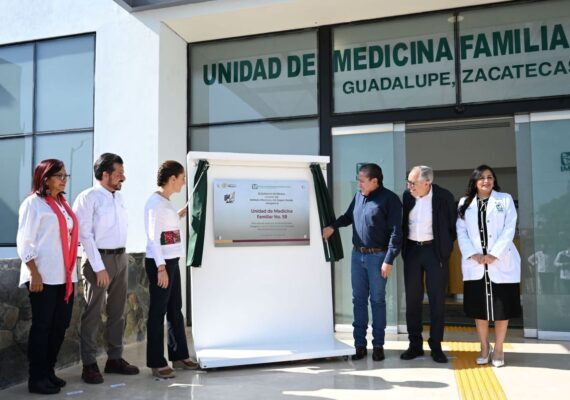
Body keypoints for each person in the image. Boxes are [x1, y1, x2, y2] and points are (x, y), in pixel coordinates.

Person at [322, 163, 402, 361]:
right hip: (357, 256)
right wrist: (333, 226)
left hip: (378, 258)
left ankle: (378, 346)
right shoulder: (359, 196)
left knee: (377, 301)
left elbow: (396, 232)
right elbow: (349, 216)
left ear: (375, 181)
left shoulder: (390, 199)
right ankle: (359, 345)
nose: (359, 184)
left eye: (362, 181)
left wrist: (389, 259)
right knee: (358, 300)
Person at [73, 153, 139, 384]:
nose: (124, 177)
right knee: (93, 313)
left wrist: (122, 258)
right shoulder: (88, 197)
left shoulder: (118, 198)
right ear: (105, 174)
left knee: (117, 312)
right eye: (119, 173)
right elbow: (84, 235)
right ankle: (89, 364)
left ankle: (114, 359)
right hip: (97, 260)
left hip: (120, 258)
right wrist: (99, 267)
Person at [16, 159, 78, 394]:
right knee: (42, 327)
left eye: (65, 176)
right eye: (58, 176)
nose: (64, 180)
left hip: (65, 276)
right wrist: (34, 273)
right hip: (42, 276)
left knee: (60, 326)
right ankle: (37, 378)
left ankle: (49, 371)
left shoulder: (62, 204)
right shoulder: (33, 204)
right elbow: (24, 241)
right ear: (45, 178)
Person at [457, 165, 521, 368]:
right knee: (480, 310)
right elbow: (462, 232)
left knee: (502, 309)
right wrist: (472, 254)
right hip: (475, 264)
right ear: (474, 181)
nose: (486, 181)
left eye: (490, 177)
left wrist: (494, 254)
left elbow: (509, 227)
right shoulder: (464, 203)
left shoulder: (505, 199)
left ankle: (499, 348)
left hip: (500, 262)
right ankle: (484, 347)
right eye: (482, 178)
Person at [144, 160, 198, 378]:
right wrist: (160, 268)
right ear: (172, 179)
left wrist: (179, 214)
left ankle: (179, 355)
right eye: (182, 178)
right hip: (161, 264)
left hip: (172, 261)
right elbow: (152, 238)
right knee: (158, 312)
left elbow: (167, 227)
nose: (184, 183)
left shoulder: (165, 203)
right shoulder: (154, 203)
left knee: (176, 308)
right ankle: (157, 362)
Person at [400, 166, 456, 364]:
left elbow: (452, 226)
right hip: (413, 252)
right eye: (408, 182)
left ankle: (436, 346)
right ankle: (414, 345)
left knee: (437, 300)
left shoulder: (444, 197)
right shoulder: (407, 197)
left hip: (435, 253)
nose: (409, 186)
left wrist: (445, 249)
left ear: (427, 183)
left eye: (413, 183)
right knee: (413, 300)